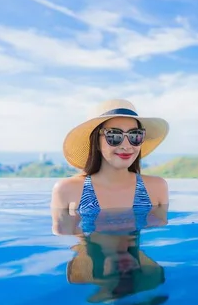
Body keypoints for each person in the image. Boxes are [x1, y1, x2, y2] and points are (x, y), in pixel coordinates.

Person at [50, 99, 170, 234]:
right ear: (95, 141)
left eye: (135, 135)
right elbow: (68, 242)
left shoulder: (157, 188)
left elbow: (159, 237)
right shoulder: (67, 190)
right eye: (114, 135)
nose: (126, 146)